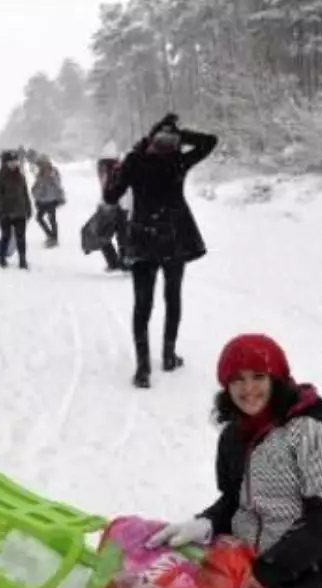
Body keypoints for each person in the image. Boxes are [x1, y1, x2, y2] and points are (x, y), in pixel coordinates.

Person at [143, 334, 322, 588]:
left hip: (313, 570)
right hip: (247, 553)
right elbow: (234, 499)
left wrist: (270, 571)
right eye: (237, 379)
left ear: (277, 378)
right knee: (165, 581)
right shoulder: (233, 436)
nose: (248, 389)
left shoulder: (311, 431)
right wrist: (207, 522)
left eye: (258, 376)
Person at [102, 113, 218, 389]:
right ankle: (168, 356)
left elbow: (110, 196)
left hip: (143, 237)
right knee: (172, 297)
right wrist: (180, 133)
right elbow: (210, 142)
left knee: (142, 304)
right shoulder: (178, 160)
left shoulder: (136, 161)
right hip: (175, 238)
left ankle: (143, 368)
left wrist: (146, 140)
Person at [0, 150, 32, 270]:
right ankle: (2, 258)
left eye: (15, 161)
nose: (14, 163)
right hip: (6, 212)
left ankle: (23, 260)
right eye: (11, 161)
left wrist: (28, 208)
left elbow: (25, 193)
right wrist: (1, 213)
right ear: (5, 162)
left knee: (21, 237)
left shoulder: (20, 175)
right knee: (6, 235)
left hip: (20, 211)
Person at [31, 155, 66, 248]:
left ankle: (53, 238)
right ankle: (51, 236)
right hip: (42, 200)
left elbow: (58, 185)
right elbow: (37, 184)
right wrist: (34, 191)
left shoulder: (52, 172)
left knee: (51, 219)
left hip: (50, 199)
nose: (39, 166)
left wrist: (60, 196)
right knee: (40, 218)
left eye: (40, 164)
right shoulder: (41, 173)